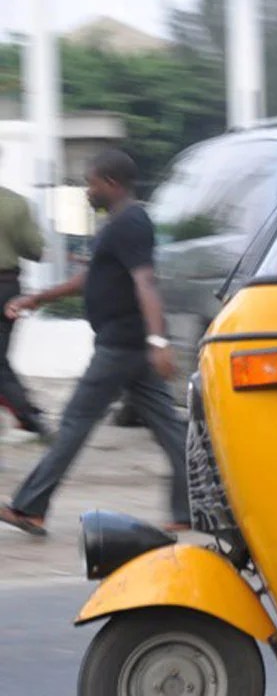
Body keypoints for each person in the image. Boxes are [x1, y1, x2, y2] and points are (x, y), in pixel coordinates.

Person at [0, 149, 189, 537]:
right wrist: (36, 298)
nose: (87, 191)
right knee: (170, 430)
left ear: (111, 184)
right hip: (129, 346)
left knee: (74, 424)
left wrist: (158, 339)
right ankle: (189, 509)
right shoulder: (116, 224)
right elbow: (88, 279)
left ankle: (29, 508)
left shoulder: (130, 223)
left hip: (122, 345)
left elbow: (145, 282)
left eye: (91, 183)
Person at [0, 145, 50, 440]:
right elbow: (36, 250)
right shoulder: (15, 204)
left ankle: (28, 416)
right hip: (6, 288)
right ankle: (27, 412)